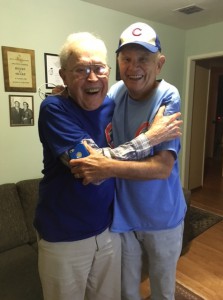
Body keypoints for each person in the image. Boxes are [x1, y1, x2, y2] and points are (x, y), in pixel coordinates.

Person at [35, 31, 181, 300]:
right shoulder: (53, 109)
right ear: (64, 76)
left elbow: (155, 166)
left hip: (108, 231)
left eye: (98, 68)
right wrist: (150, 138)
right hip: (64, 236)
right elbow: (92, 169)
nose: (92, 77)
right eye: (81, 69)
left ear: (107, 71)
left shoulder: (110, 102)